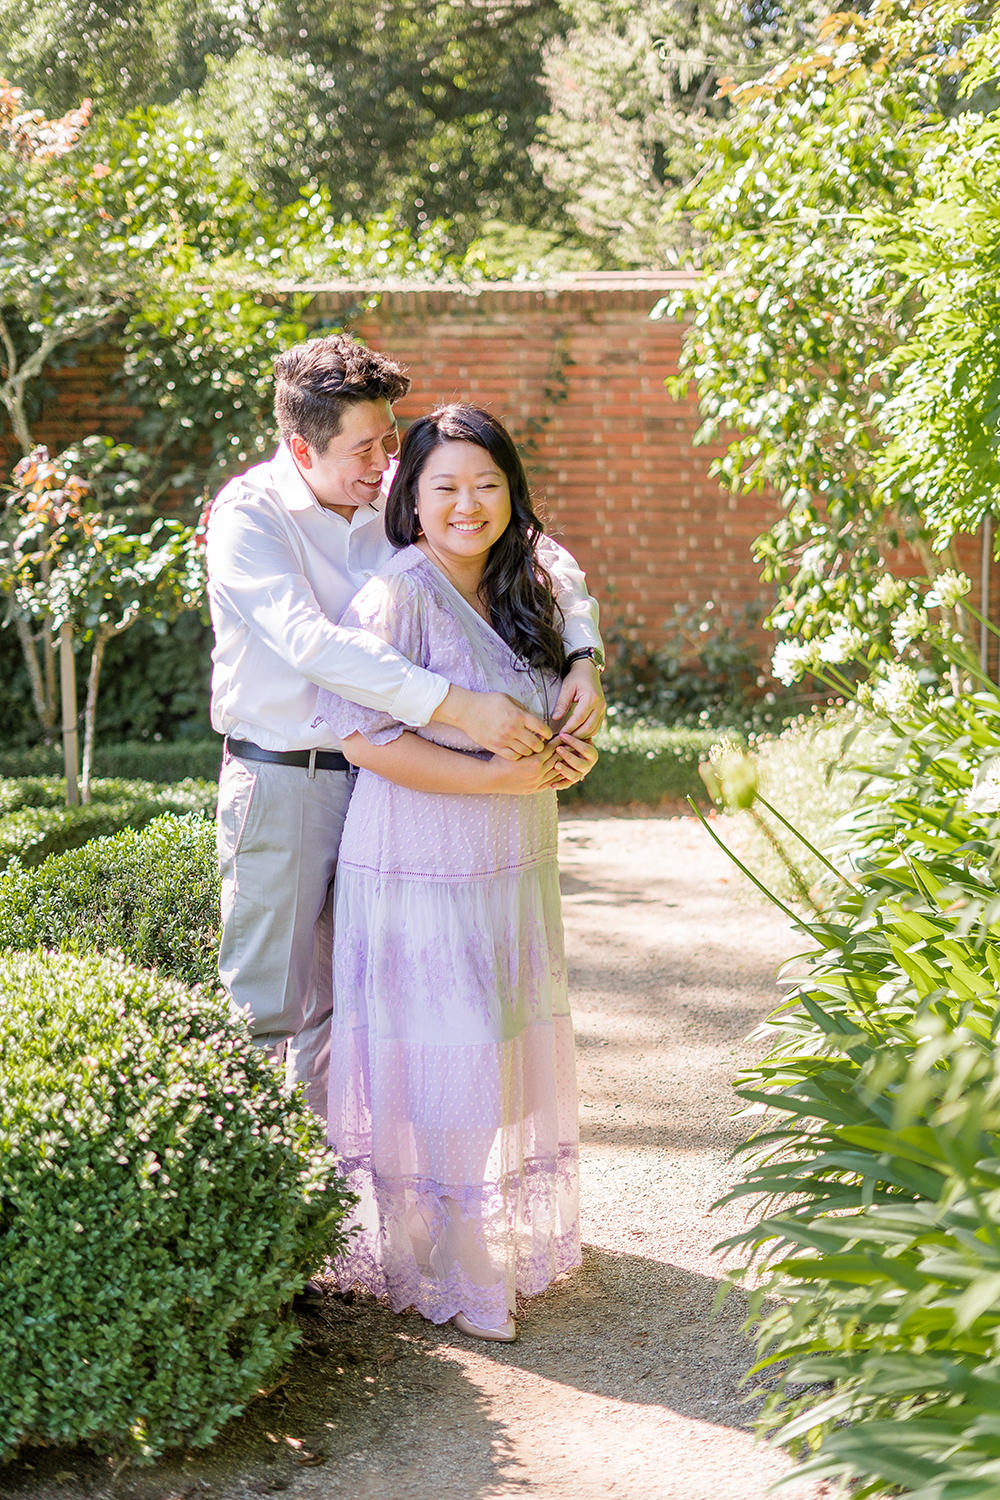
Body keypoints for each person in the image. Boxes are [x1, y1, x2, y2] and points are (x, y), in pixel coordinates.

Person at [206, 335, 605, 1122]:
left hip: (381, 786)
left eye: (391, 440)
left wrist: (584, 652)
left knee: (349, 1010)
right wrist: (457, 705)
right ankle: (246, 1221)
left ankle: (333, 1208)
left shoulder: (378, 488)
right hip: (285, 778)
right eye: (365, 448)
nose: (385, 461)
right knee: (263, 1013)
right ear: (300, 447)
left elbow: (533, 546)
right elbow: (311, 646)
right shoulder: (248, 518)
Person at [315, 403, 594, 1342]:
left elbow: (564, 655)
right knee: (457, 1041)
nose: (468, 504)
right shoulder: (396, 594)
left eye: (487, 484)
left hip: (510, 860)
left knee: (499, 1038)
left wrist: (579, 724)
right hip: (419, 859)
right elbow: (360, 739)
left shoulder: (529, 579)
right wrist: (497, 775)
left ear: (512, 493)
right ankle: (456, 1245)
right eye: (445, 487)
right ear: (411, 500)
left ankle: (453, 1227)